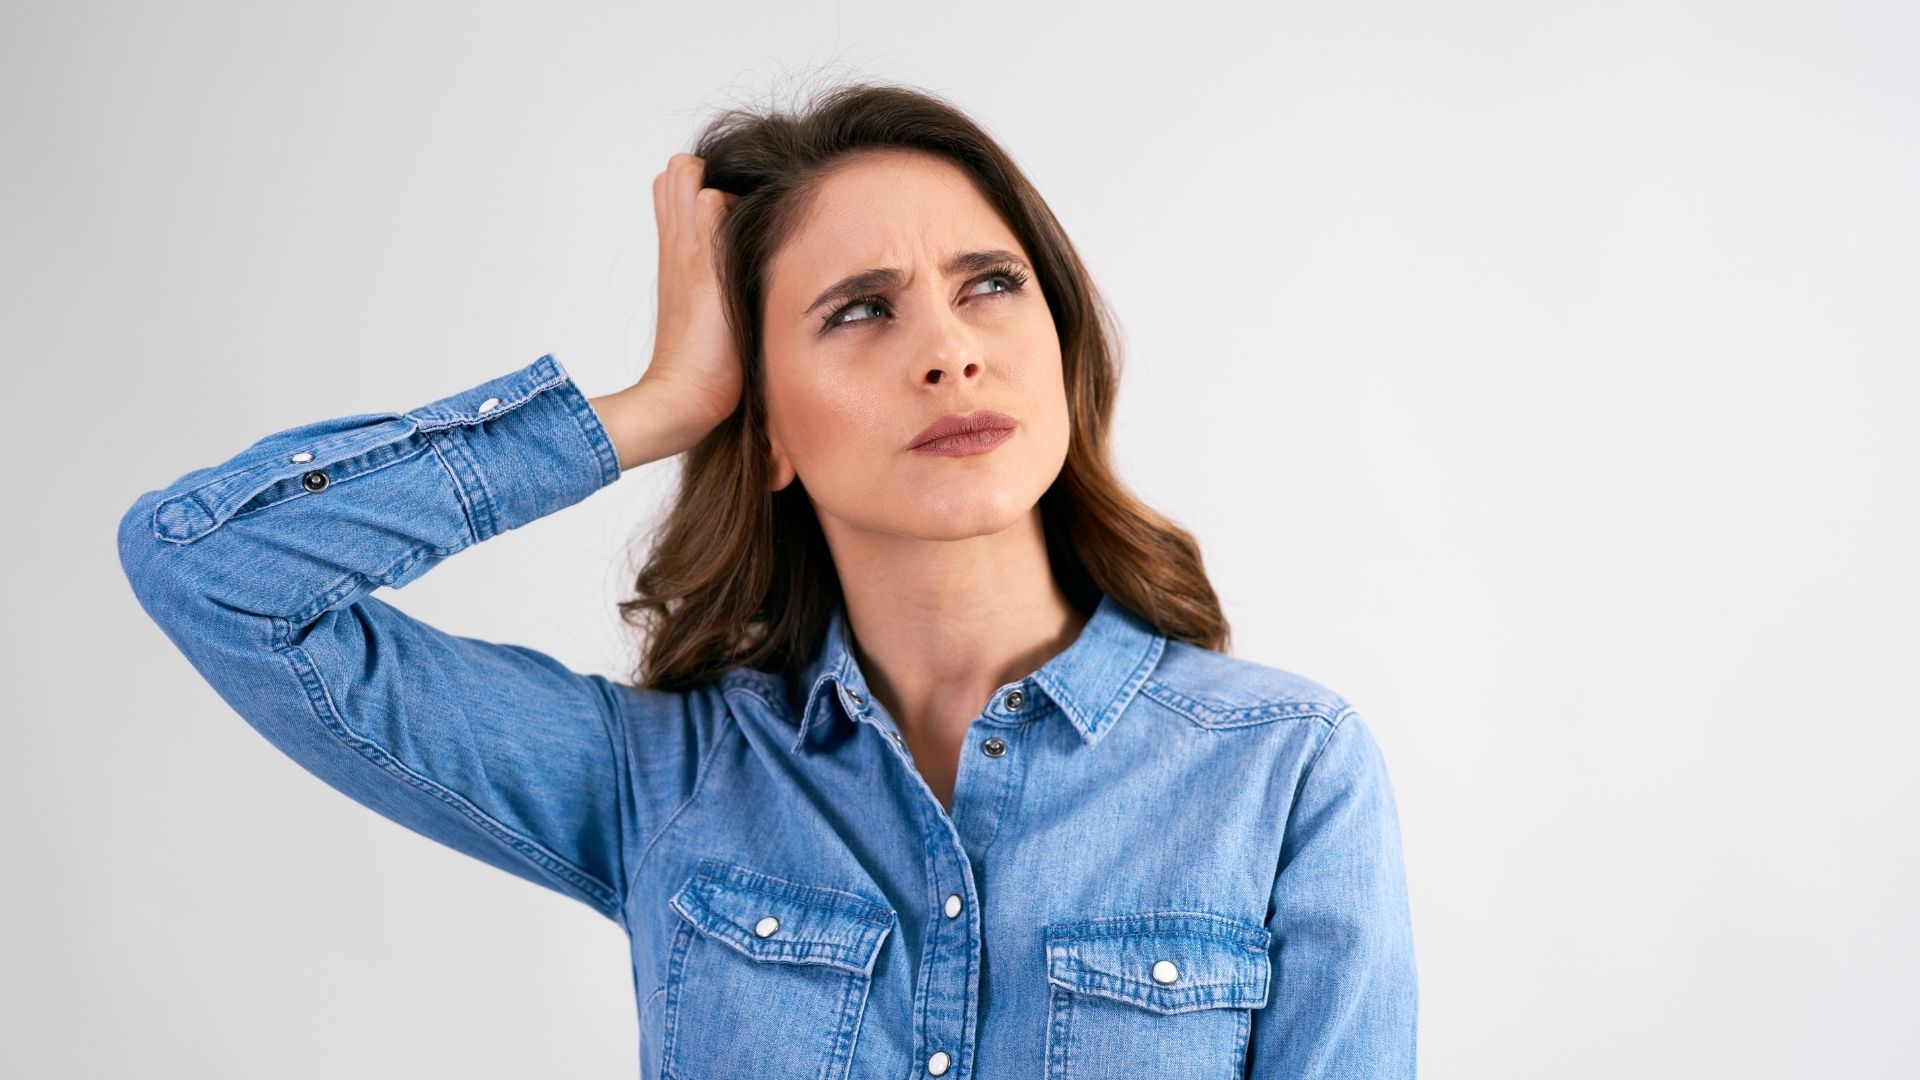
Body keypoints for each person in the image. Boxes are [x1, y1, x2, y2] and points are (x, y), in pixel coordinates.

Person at [117, 80, 1417, 1079]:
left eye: (991, 288)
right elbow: (212, 568)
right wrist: (651, 405)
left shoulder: (1285, 773)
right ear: (770, 429)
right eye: (861, 308)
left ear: (1062, 354)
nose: (950, 352)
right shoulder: (665, 783)